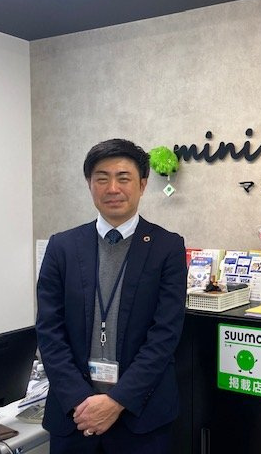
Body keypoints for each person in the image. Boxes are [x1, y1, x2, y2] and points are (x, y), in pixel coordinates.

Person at [36, 139, 187, 453]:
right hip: (75, 416)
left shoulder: (167, 247)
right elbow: (49, 330)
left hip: (141, 417)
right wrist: (82, 401)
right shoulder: (62, 246)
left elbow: (165, 335)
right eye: (102, 178)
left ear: (142, 184)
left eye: (123, 178)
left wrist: (118, 400)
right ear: (89, 184)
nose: (112, 188)